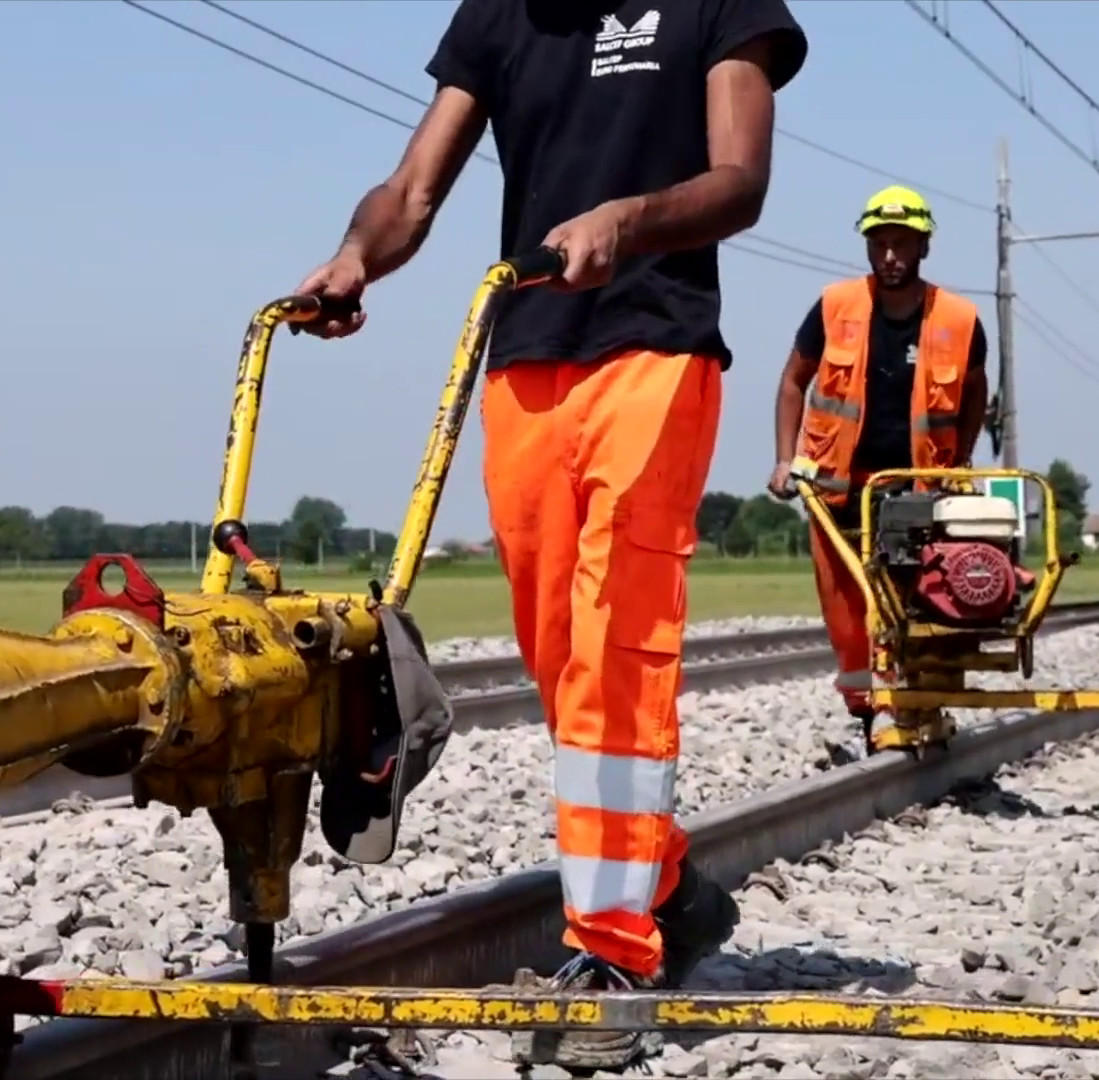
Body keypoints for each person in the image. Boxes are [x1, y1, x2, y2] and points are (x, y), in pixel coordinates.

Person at [291, 0, 808, 1069]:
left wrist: (631, 220)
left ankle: (615, 956)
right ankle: (661, 881)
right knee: (558, 650)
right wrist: (354, 257)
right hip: (526, 352)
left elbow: (740, 182)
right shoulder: (498, 15)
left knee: (617, 631)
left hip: (655, 344)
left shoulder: (719, 4)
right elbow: (413, 188)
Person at [767, 185, 990, 728]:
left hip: (921, 493)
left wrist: (960, 460)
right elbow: (794, 381)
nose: (890, 256)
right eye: (880, 244)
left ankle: (918, 700)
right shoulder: (835, 307)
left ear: (924, 248)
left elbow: (975, 394)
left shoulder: (959, 319)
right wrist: (783, 458)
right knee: (847, 616)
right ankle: (867, 707)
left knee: (925, 606)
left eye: (902, 244)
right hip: (839, 490)